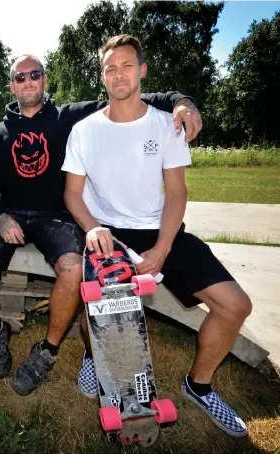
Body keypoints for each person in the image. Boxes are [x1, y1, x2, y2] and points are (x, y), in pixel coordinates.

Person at [0, 53, 202, 396]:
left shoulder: (67, 117)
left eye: (35, 75)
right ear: (11, 85)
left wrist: (181, 102)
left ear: (44, 79)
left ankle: (47, 351)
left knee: (73, 269)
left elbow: (126, 96)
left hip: (57, 217)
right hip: (9, 215)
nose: (28, 82)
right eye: (20, 77)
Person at [63, 35, 250, 437]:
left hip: (159, 228)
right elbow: (72, 194)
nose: (119, 74)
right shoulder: (83, 130)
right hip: (107, 232)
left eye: (127, 65)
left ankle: (198, 386)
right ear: (102, 75)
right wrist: (93, 226)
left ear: (142, 70)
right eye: (111, 68)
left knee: (235, 306)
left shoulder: (167, 125)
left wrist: (164, 248)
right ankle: (95, 357)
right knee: (95, 305)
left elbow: (177, 192)